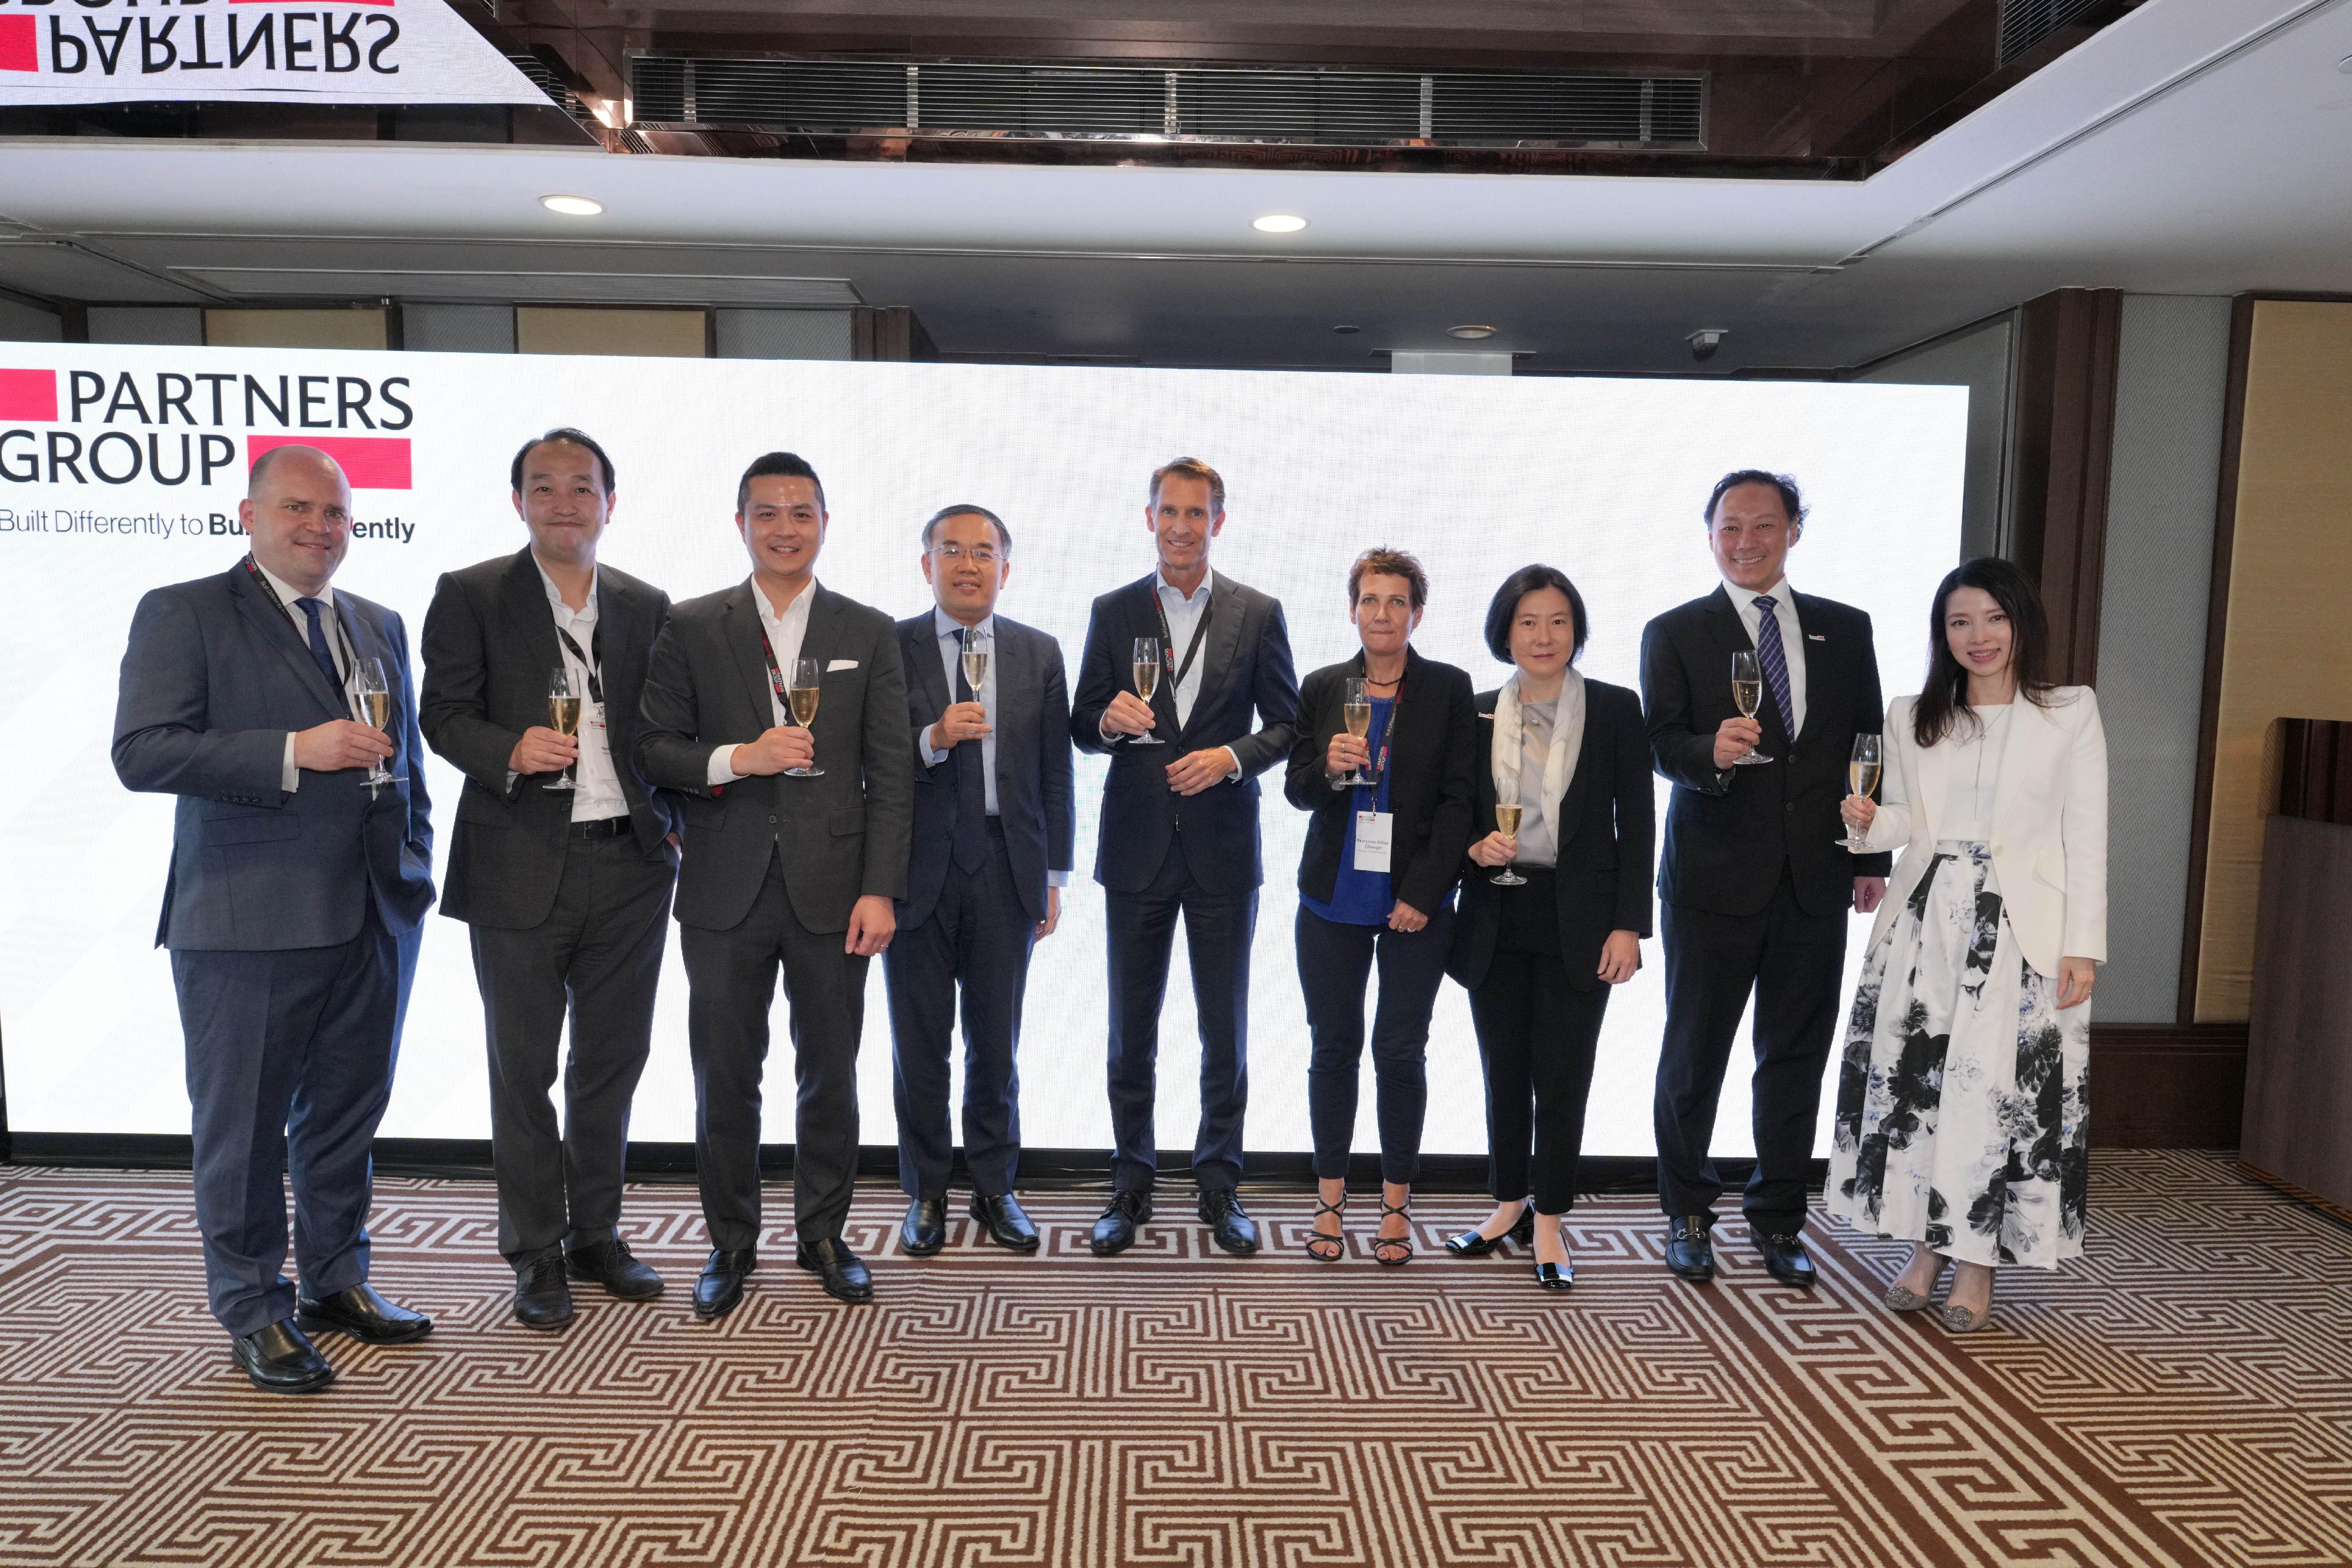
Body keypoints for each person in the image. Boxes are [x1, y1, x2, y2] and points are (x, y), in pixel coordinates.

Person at [112, 444, 436, 1394]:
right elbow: (143, 750)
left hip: (374, 913)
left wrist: (412, 870)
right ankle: (254, 1307)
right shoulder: (184, 612)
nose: (319, 528)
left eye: (334, 514)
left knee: (344, 1115)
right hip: (246, 923)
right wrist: (297, 748)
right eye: (297, 509)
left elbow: (406, 762)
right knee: (244, 1129)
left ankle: (337, 1277)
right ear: (247, 515)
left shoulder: (377, 621)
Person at [635, 451, 912, 1314]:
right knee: (726, 1073)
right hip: (724, 887)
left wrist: (882, 887)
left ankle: (825, 1233)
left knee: (830, 1070)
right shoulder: (689, 624)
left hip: (838, 891)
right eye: (767, 513)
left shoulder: (869, 629)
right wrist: (738, 758)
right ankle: (730, 1241)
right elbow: (652, 748)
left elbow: (893, 770)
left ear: (825, 523)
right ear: (741, 523)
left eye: (801, 513)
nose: (784, 528)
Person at [419, 428, 680, 1330]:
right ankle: (533, 1251)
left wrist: (675, 825)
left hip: (633, 861)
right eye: (544, 486)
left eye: (582, 487)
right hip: (519, 860)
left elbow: (669, 728)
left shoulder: (648, 604)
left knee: (610, 1063)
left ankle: (595, 1233)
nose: (564, 502)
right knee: (522, 1068)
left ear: (612, 502)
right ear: (518, 500)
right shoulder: (473, 593)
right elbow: (441, 714)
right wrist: (506, 748)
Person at [1829, 556, 2106, 1332]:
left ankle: (1976, 1260)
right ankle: (1922, 1248)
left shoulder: (2069, 711)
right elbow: (1899, 824)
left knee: (1997, 1099)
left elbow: (2086, 834)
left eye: (1993, 618)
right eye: (1959, 622)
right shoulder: (1914, 713)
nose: (1977, 636)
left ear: (2021, 622)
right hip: (1927, 924)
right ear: (1941, 634)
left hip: (2021, 932)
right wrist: (1860, 820)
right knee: (1919, 1089)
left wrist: (2084, 944)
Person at [1641, 470, 1890, 1288]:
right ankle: (1686, 1210)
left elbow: (1867, 744)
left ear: (1793, 530)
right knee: (1694, 1053)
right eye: (1729, 527)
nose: (1745, 541)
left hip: (1814, 877)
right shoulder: (1676, 630)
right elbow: (1659, 740)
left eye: (1763, 525)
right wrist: (1704, 756)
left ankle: (1779, 1214)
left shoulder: (1844, 629)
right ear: (1709, 534)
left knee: (1794, 1054)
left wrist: (1869, 857)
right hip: (1713, 878)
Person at [1070, 457, 1300, 1258]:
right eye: (1168, 510)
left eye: (1196, 513)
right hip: (1134, 849)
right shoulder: (1112, 609)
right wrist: (1107, 719)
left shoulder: (1257, 611)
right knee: (1130, 1031)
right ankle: (1130, 1178)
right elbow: (1080, 721)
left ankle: (1219, 1180)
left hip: (1222, 851)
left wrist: (1230, 758)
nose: (1181, 525)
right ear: (1148, 517)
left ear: (1218, 522)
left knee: (1223, 1030)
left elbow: (1287, 724)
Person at [1444, 566, 1653, 1290]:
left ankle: (1551, 1221)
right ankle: (1506, 1204)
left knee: (1563, 1077)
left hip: (1582, 918)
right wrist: (1473, 847)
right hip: (1495, 911)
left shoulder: (1617, 709)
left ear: (1577, 630)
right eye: (1528, 621)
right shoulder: (1471, 711)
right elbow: (1452, 814)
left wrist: (1630, 925)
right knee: (1502, 1071)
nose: (1543, 635)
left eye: (1558, 620)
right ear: (1506, 630)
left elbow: (1639, 825)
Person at [884, 504, 1075, 1258]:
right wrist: (931, 739)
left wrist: (1053, 873)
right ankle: (926, 1192)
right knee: (919, 1044)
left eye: (984, 552)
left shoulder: (1038, 652)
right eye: (951, 551)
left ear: (1005, 567)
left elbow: (1055, 776)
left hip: (1005, 867)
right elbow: (868, 762)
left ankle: (995, 1187)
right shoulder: (889, 646)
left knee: (996, 1044)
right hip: (915, 873)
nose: (968, 565)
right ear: (926, 564)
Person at [1285, 549, 1476, 1265]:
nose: (1382, 614)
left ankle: (1396, 1205)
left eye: (1397, 602)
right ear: (1353, 609)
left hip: (1413, 906)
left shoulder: (1449, 688)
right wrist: (1329, 772)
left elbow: (1461, 801)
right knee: (1331, 1049)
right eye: (1370, 600)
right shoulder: (1321, 685)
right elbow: (1297, 789)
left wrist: (1423, 895)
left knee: (1399, 1052)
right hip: (1331, 900)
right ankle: (1329, 1201)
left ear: (1416, 614)